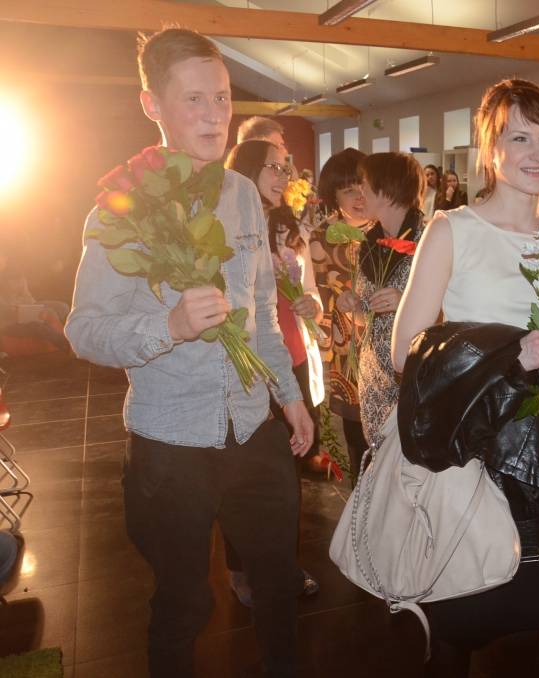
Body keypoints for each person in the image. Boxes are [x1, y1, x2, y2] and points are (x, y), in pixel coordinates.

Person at [64, 28, 313, 678]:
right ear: (153, 105)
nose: (213, 115)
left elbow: (261, 311)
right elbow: (83, 329)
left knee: (279, 586)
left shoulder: (241, 195)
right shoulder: (120, 210)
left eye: (222, 98)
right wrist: (168, 325)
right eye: (194, 99)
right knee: (182, 605)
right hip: (170, 445)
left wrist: (288, 395)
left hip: (254, 428)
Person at [391, 78, 539, 676]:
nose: (537, 153)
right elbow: (405, 352)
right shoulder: (453, 230)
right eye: (519, 138)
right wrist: (510, 356)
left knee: (532, 616)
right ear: (490, 149)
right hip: (472, 447)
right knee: (461, 612)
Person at [223, 138, 324, 604]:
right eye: (274, 167)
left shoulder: (289, 227)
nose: (284, 177)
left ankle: (284, 563)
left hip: (290, 358)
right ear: (246, 169)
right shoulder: (226, 225)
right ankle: (240, 567)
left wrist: (312, 304)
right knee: (242, 474)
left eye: (286, 168)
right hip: (247, 362)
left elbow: (312, 291)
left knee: (287, 476)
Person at [354, 152, 425, 444]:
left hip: (413, 375)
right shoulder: (367, 243)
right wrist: (353, 305)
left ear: (386, 190)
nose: (359, 191)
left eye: (365, 184)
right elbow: (363, 316)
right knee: (377, 458)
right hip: (373, 379)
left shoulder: (429, 239)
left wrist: (405, 301)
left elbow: (453, 309)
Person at [312, 148, 371, 478]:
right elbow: (316, 297)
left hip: (387, 348)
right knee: (357, 437)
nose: (360, 196)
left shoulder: (391, 230)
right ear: (333, 195)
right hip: (346, 353)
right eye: (349, 190)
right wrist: (337, 303)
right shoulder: (321, 237)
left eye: (364, 186)